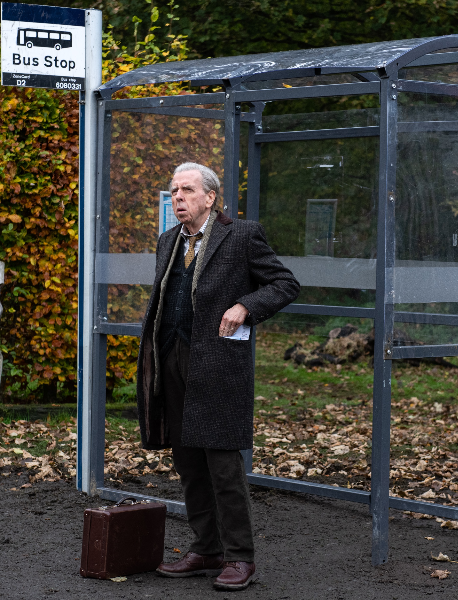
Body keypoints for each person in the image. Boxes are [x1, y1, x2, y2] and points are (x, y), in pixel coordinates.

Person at [136, 162, 299, 591]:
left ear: (210, 197)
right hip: (171, 358)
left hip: (218, 366)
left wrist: (245, 305)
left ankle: (240, 557)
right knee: (188, 461)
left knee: (223, 464)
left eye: (187, 191)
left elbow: (284, 283)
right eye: (174, 191)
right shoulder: (168, 241)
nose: (178, 198)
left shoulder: (242, 235)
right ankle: (206, 547)